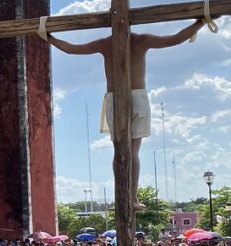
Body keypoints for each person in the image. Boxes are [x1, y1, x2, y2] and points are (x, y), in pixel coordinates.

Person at [44, 19, 205, 210]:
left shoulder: (106, 43)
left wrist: (47, 36)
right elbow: (175, 39)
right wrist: (200, 22)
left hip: (115, 97)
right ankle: (131, 197)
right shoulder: (140, 40)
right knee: (132, 151)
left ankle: (123, 196)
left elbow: (71, 48)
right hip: (136, 96)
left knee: (120, 150)